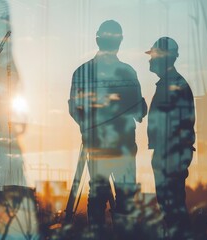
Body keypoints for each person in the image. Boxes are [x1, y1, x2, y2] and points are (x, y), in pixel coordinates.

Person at [68, 20, 147, 235]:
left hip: (98, 148)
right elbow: (139, 112)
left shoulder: (82, 72)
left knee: (98, 197)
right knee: (125, 202)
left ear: (98, 40)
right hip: (123, 149)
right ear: (119, 41)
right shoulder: (128, 73)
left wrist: (89, 128)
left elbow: (74, 108)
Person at [145, 37, 196, 239]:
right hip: (168, 156)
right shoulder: (170, 84)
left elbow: (182, 125)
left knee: (173, 211)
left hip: (171, 157)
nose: (150, 60)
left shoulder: (175, 86)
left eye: (154, 55)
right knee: (170, 211)